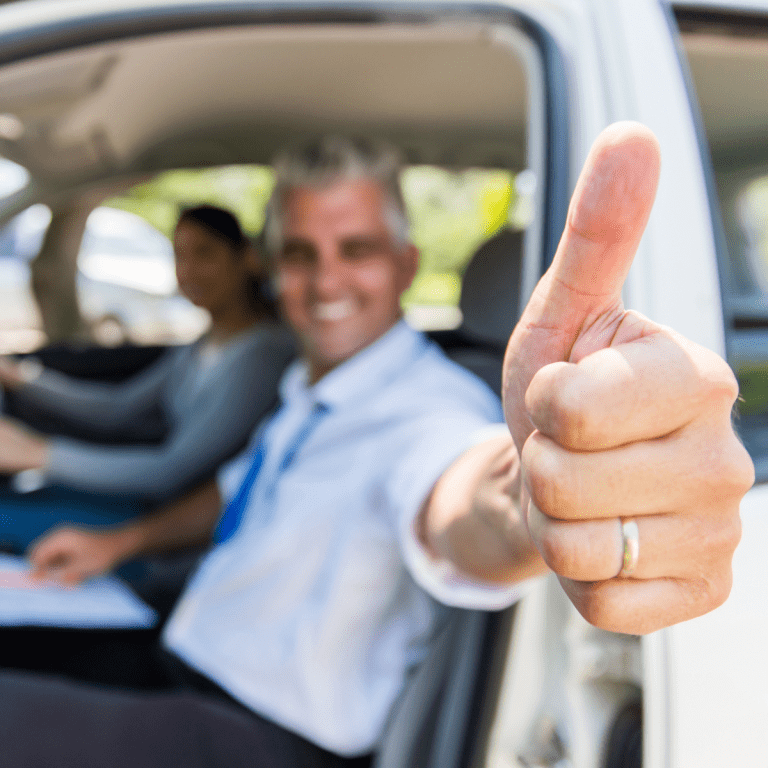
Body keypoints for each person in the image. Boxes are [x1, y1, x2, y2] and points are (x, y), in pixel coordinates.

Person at [0, 125, 753, 767]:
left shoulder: (429, 408)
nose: (325, 278)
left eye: (355, 248)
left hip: (265, 734)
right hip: (182, 658)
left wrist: (540, 493)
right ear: (274, 269)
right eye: (300, 253)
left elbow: (461, 497)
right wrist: (118, 542)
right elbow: (232, 489)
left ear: (406, 264)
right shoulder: (310, 383)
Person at [0, 204, 295, 555]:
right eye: (178, 257)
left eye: (205, 254)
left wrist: (40, 454)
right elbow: (117, 408)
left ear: (247, 257)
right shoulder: (199, 346)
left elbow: (170, 470)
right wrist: (21, 379)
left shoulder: (264, 354)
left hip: (174, 534)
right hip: (143, 506)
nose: (187, 272)